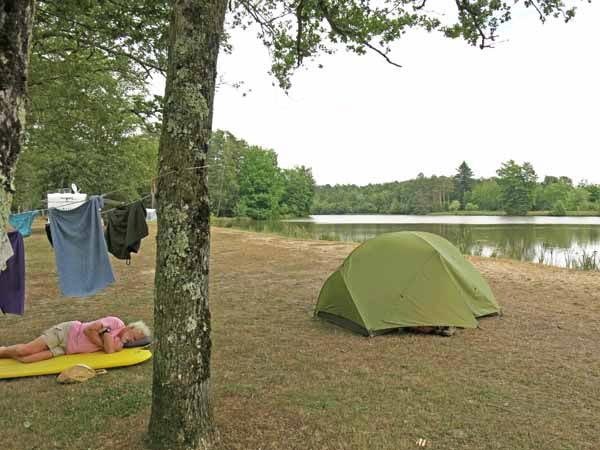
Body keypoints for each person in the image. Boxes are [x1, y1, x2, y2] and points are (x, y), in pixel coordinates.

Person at [0, 316, 151, 363]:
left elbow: (110, 351)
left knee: (26, 360)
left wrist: (105, 336)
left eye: (134, 340)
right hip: (67, 333)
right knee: (24, 350)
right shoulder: (116, 323)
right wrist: (105, 337)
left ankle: (5, 353)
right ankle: (4, 350)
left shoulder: (119, 344)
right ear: (130, 327)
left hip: (66, 350)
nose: (131, 340)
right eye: (133, 336)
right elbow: (87, 330)